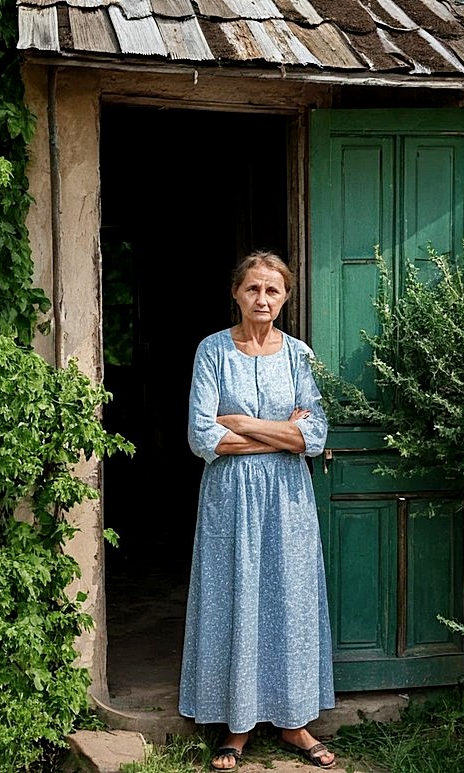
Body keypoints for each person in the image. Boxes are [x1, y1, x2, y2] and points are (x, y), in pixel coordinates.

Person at [178, 250, 336, 771]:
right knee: (237, 595)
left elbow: (313, 435)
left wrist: (240, 423)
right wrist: (279, 434)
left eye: (272, 290)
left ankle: (293, 722)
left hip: (288, 498)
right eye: (253, 289)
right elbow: (202, 435)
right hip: (230, 496)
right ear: (236, 293)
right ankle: (237, 724)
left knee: (289, 598)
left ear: (285, 297)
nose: (262, 299)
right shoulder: (213, 352)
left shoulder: (299, 356)